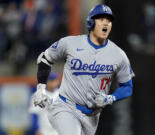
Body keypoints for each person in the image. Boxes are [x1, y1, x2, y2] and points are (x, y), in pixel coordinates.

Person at [33, 4, 135, 135]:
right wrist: (40, 89)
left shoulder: (118, 54)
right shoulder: (70, 43)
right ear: (91, 22)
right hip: (66, 106)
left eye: (108, 20)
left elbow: (127, 87)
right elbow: (45, 58)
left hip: (92, 116)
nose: (106, 23)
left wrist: (110, 98)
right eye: (101, 19)